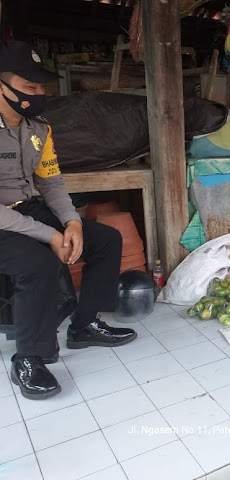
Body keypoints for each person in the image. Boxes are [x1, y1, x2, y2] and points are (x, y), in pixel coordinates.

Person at [0, 40, 136, 400]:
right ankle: (28, 358)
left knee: (105, 239)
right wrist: (49, 234)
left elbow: (50, 181)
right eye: (29, 87)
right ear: (2, 86)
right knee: (39, 265)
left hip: (27, 210)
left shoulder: (38, 129)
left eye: (41, 85)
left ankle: (85, 324)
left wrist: (71, 222)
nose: (38, 93)